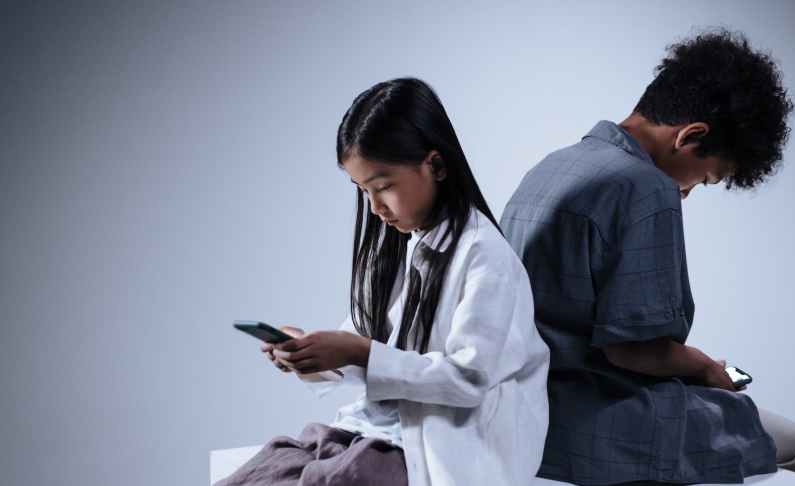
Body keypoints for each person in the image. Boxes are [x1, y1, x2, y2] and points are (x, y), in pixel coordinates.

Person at [501, 29, 795, 485]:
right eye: (705, 179)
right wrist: (702, 366)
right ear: (690, 137)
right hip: (589, 420)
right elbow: (630, 348)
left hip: (519, 408)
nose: (688, 192)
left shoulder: (552, 166)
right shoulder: (644, 186)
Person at [216, 77, 550, 486]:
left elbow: (467, 379)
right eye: (362, 191)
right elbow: (359, 344)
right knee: (258, 474)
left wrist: (360, 352)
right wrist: (307, 352)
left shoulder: (485, 256)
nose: (374, 207)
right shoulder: (400, 249)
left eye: (384, 186)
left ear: (436, 165)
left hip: (444, 445)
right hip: (378, 431)